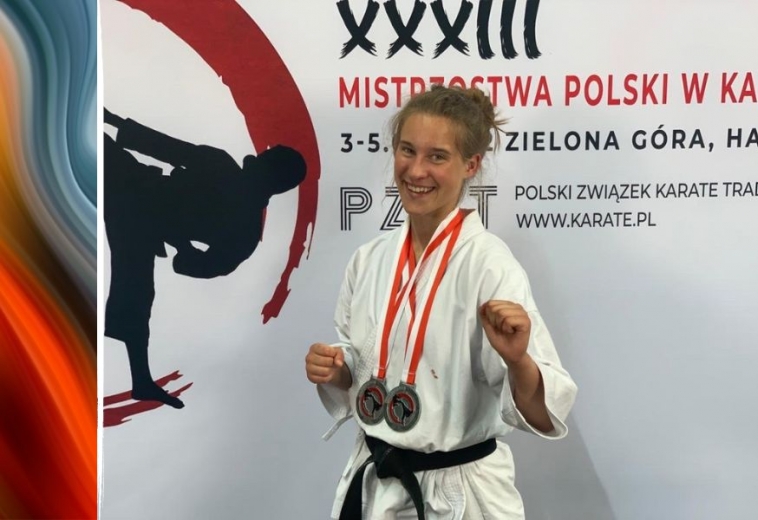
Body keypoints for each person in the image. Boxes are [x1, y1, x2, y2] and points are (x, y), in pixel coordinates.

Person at [305, 85, 577, 519]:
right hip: (377, 482)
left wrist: (518, 359)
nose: (416, 170)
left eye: (437, 157)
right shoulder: (369, 259)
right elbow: (363, 362)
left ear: (471, 164)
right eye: (407, 150)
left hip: (460, 494)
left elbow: (543, 413)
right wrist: (339, 369)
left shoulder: (489, 265)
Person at [104, 109, 306, 408]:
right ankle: (141, 380)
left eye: (268, 156)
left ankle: (140, 380)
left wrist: (182, 246)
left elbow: (165, 147)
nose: (261, 155)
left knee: (135, 293)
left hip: (137, 213)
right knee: (135, 293)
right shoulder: (246, 226)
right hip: (131, 192)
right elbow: (165, 146)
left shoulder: (239, 210)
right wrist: (110, 120)